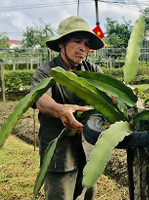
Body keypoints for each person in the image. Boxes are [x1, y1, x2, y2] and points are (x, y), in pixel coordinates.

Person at [32, 16, 104, 200]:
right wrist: (60, 110)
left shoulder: (93, 71)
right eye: (77, 41)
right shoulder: (46, 72)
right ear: (62, 43)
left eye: (87, 44)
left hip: (89, 153)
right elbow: (40, 98)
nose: (83, 48)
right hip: (60, 156)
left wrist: (123, 95)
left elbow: (109, 93)